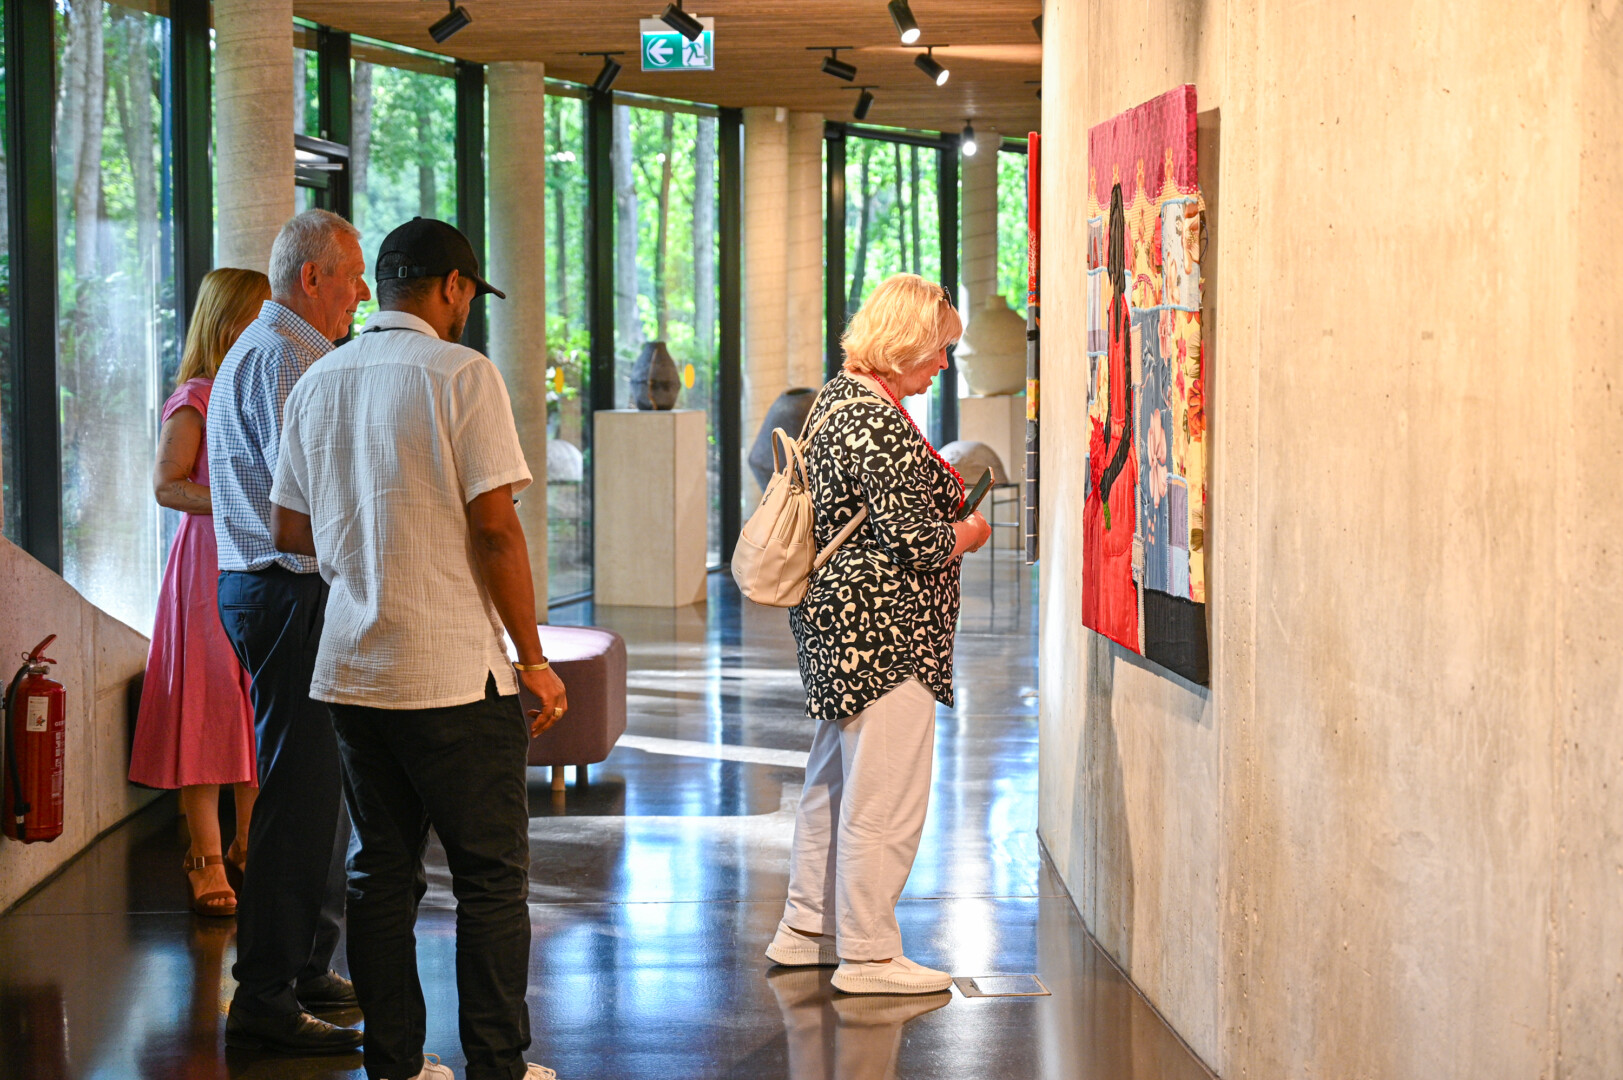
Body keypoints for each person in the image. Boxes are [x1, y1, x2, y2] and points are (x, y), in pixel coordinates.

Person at [269, 217, 567, 1080]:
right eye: (468, 293)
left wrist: (367, 545)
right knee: (489, 880)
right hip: (453, 674)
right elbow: (496, 530)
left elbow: (287, 528)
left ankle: (396, 1066)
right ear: (452, 287)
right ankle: (497, 1067)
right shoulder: (461, 374)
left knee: (379, 875)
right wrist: (534, 659)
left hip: (354, 669)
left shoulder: (319, 379)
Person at [766, 273, 991, 994]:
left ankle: (807, 929)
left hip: (842, 624)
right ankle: (867, 954)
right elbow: (919, 542)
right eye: (939, 349)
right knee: (884, 797)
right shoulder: (877, 420)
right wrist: (971, 531)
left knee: (834, 785)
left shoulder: (839, 399)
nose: (943, 364)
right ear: (905, 342)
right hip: (886, 632)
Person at [208, 208, 371, 1055]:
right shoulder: (286, 356)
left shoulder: (287, 351)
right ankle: (265, 997)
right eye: (352, 275)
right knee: (297, 797)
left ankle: (305, 967)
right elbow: (298, 501)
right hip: (284, 592)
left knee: (320, 792)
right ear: (312, 277)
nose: (363, 293)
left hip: (281, 592)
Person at [129, 268, 272, 918]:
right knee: (209, 703)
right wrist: (241, 504)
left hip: (260, 561)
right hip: (208, 567)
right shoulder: (195, 397)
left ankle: (249, 843)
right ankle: (206, 857)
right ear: (225, 322)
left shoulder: (262, 389)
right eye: (258, 315)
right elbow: (167, 486)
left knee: (257, 702)